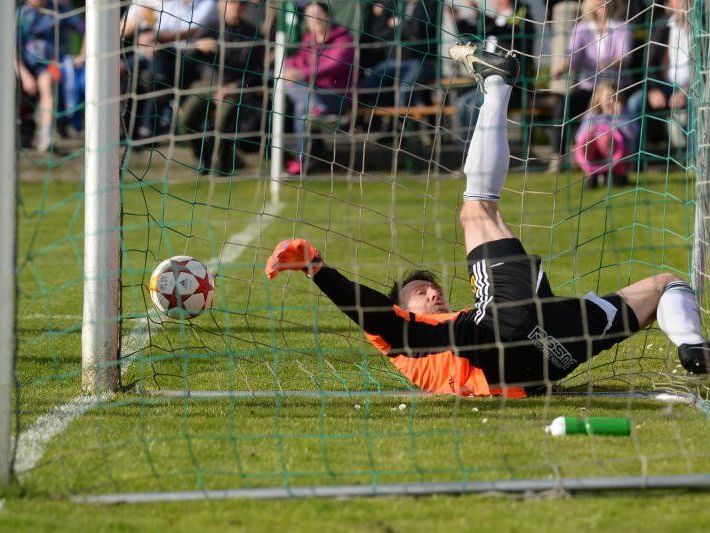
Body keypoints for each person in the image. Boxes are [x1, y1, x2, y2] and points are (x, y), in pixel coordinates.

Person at [265, 46, 709, 398]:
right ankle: (497, 82)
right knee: (476, 208)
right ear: (404, 307)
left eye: (432, 288)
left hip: (547, 356)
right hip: (505, 337)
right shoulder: (404, 340)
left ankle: (693, 347)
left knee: (665, 285)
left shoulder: (457, 324)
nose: (432, 292)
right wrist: (318, 270)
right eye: (419, 293)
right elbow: (371, 311)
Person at [178, 0, 264, 175]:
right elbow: (187, 56)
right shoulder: (209, 27)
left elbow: (257, 74)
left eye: (240, 4)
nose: (236, 7)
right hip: (208, 84)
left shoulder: (254, 34)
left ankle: (222, 166)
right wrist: (197, 46)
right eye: (232, 3)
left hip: (237, 88)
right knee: (186, 119)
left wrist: (234, 87)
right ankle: (204, 158)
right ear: (221, 5)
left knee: (221, 121)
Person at [548, 0, 632, 171]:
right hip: (589, 88)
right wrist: (563, 66)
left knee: (618, 114)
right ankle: (558, 157)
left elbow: (625, 56)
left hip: (614, 87)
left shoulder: (621, 26)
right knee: (563, 107)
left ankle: (622, 158)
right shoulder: (582, 28)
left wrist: (609, 63)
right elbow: (573, 54)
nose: (600, 3)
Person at [283, 2, 355, 176]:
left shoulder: (344, 39)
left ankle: (302, 160)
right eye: (309, 15)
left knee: (300, 100)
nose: (313, 19)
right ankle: (303, 160)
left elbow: (333, 66)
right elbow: (297, 62)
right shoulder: (309, 41)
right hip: (311, 96)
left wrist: (302, 74)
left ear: (328, 16)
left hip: (336, 96)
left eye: (317, 14)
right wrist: (289, 69)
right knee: (295, 97)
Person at [16, 0, 85, 152]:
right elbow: (10, 48)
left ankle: (46, 135)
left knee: (47, 85)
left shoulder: (59, 10)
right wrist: (24, 75)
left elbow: (85, 29)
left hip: (49, 65)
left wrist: (83, 54)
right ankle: (22, 133)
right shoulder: (21, 14)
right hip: (22, 66)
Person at [626, 0, 690, 151]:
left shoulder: (701, 30)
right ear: (669, 4)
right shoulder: (662, 27)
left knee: (696, 105)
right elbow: (650, 64)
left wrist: (686, 91)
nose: (683, 3)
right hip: (663, 87)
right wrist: (653, 89)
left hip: (691, 89)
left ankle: (692, 160)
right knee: (635, 103)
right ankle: (635, 161)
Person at [358, 0, 439, 109]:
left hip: (420, 61)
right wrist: (405, 31)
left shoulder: (428, 4)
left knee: (404, 89)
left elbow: (417, 30)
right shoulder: (393, 4)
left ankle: (403, 124)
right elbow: (379, 33)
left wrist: (397, 24)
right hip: (393, 61)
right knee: (367, 85)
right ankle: (371, 123)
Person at [574, 81, 638, 188]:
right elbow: (579, 138)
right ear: (599, 98)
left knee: (605, 137)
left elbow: (633, 134)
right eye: (608, 97)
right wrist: (589, 131)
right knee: (589, 139)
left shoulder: (625, 113)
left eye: (615, 97)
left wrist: (619, 116)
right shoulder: (591, 115)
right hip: (595, 155)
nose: (612, 100)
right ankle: (592, 175)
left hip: (620, 155)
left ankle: (618, 175)